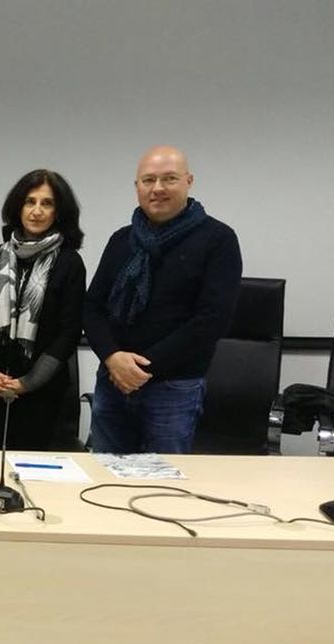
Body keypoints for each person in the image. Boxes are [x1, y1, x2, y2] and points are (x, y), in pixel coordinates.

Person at [84, 145, 242, 453]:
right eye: (148, 180)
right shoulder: (122, 239)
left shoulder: (218, 239)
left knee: (164, 486)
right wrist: (113, 358)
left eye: (169, 178)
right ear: (137, 187)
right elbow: (92, 308)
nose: (157, 188)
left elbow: (212, 319)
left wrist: (142, 369)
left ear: (189, 181)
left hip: (174, 388)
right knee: (104, 478)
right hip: (113, 382)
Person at [0, 169, 86, 451]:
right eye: (29, 202)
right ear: (17, 207)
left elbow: (68, 333)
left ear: (58, 212)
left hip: (43, 394)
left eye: (46, 203)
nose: (36, 211)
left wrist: (25, 384)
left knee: (37, 475)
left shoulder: (70, 263)